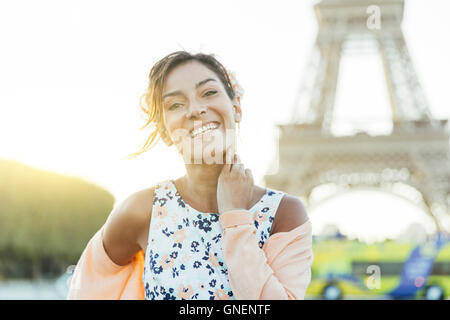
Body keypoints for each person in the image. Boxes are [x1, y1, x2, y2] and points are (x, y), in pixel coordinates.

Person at [67, 51, 313, 300]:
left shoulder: (284, 214)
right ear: (164, 132)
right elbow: (86, 288)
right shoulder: (142, 211)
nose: (195, 109)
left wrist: (235, 218)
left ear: (236, 107)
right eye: (175, 105)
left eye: (209, 93)